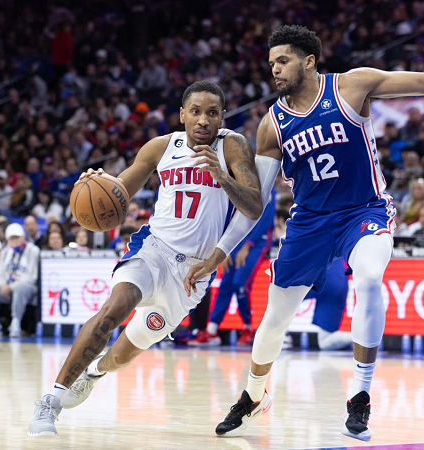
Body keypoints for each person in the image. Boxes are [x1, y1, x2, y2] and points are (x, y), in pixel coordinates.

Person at [182, 25, 424, 441]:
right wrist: (220, 251)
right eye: (271, 64)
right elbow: (254, 203)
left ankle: (360, 396)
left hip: (364, 209)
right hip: (309, 222)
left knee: (370, 279)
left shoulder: (353, 86)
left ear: (309, 61)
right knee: (274, 321)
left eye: (282, 61)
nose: (275, 70)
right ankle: (253, 394)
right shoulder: (271, 125)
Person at [28, 81, 268, 436]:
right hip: (153, 249)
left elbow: (254, 206)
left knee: (123, 354)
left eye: (212, 113)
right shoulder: (161, 147)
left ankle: (95, 372)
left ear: (222, 117)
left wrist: (221, 174)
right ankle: (51, 399)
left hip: (192, 272)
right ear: (183, 114)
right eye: (196, 112)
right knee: (116, 307)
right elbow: (118, 192)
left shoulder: (231, 146)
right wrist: (97, 183)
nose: (204, 120)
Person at [189, 193, 275, 347]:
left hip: (256, 242)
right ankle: (212, 330)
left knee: (240, 284)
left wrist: (248, 245)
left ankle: (248, 329)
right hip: (235, 241)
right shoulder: (234, 182)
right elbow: (227, 215)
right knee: (226, 285)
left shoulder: (266, 183)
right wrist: (223, 247)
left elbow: (266, 219)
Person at [0, 224, 40, 338]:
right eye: (12, 238)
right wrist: (2, 285)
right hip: (7, 287)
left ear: (23, 237)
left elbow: (32, 276)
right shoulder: (6, 251)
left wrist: (11, 286)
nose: (14, 241)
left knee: (19, 287)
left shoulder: (33, 250)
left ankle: (16, 322)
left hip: (28, 288)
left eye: (17, 237)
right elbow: (0, 272)